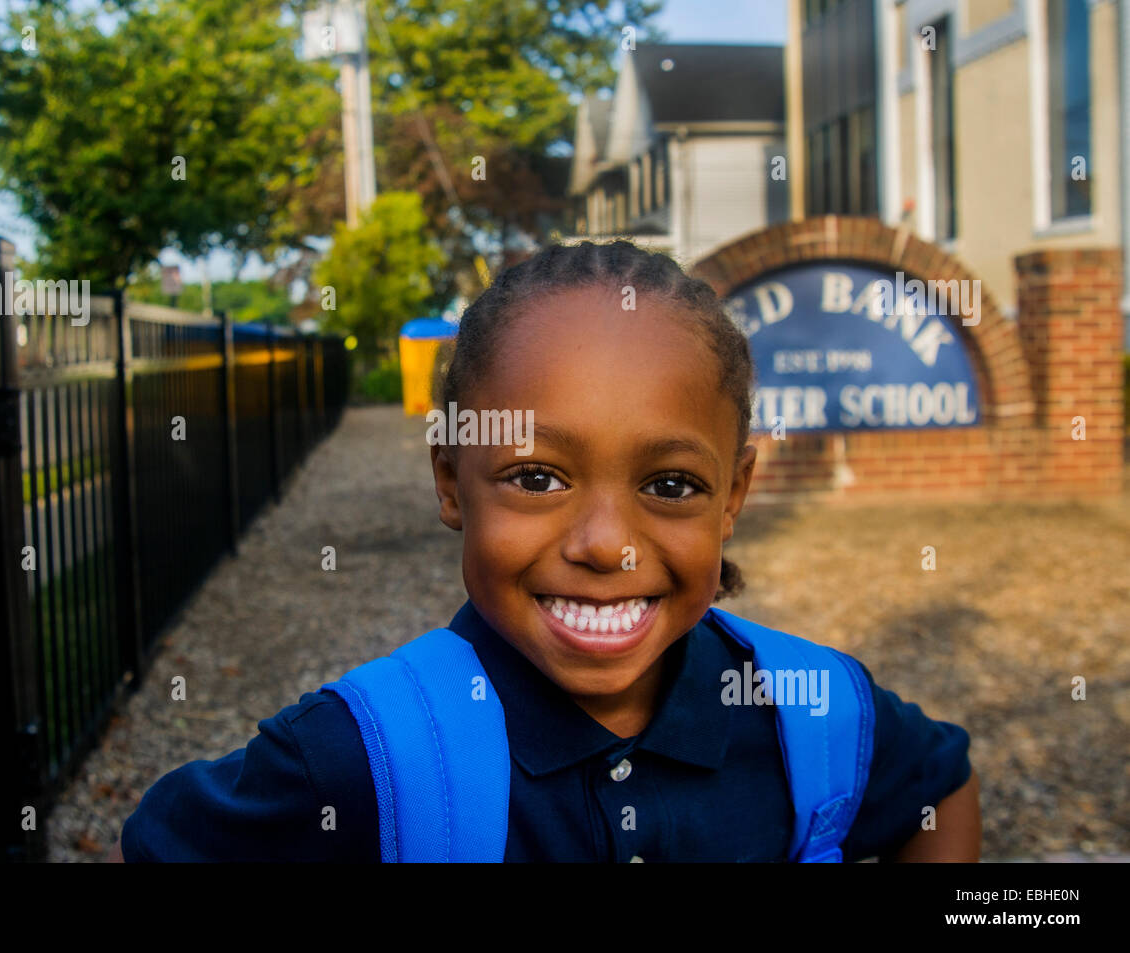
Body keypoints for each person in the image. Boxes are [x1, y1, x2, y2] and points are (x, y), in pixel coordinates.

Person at [113, 240, 979, 862]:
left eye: (670, 485)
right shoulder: (361, 758)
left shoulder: (814, 712)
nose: (605, 544)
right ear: (452, 481)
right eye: (536, 476)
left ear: (734, 497)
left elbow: (939, 789)